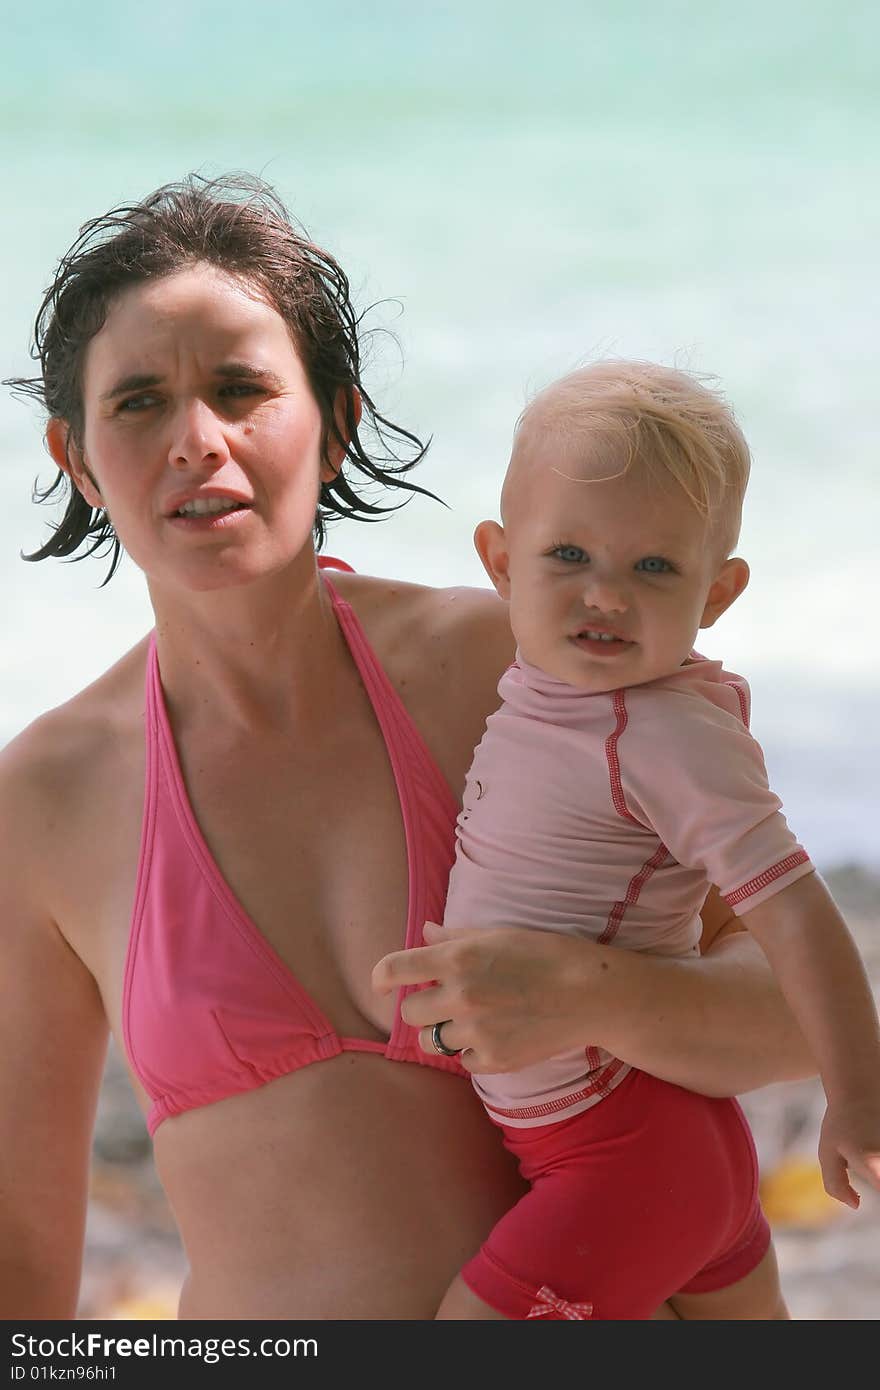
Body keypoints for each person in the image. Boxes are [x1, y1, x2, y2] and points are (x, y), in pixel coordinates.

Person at [1, 176, 815, 1322]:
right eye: (138, 402)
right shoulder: (46, 799)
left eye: (241, 389)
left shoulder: (518, 674)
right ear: (78, 457)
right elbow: (21, 1256)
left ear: (333, 422)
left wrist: (591, 991)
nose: (196, 440)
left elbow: (799, 1013)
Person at [374, 360, 880, 1321]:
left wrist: (858, 1094)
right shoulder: (564, 691)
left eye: (654, 567)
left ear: (718, 593)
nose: (605, 595)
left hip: (623, 1151)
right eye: (568, 556)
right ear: (499, 560)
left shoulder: (659, 733)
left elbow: (803, 916)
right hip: (660, 1140)